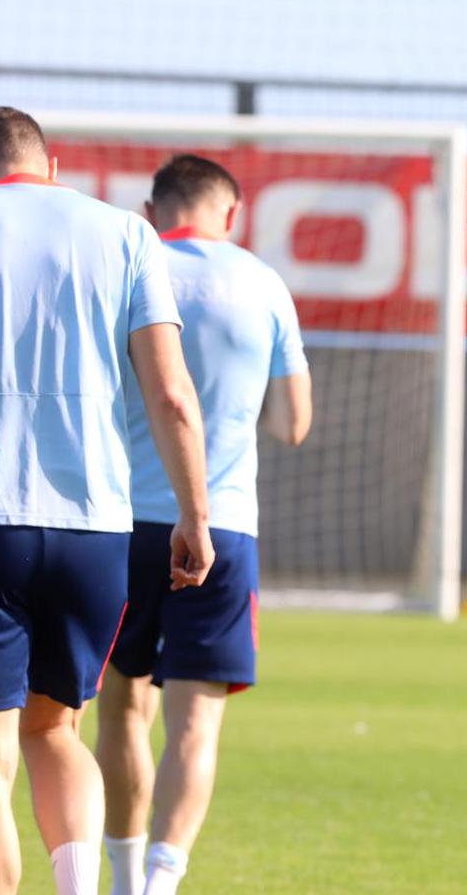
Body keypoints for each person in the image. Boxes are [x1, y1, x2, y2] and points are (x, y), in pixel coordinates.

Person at [0, 107, 212, 895]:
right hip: (95, 528)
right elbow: (170, 393)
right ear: (52, 165)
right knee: (57, 731)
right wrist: (195, 512)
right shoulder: (125, 235)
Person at [94, 155, 312, 895]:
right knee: (196, 723)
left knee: (123, 706)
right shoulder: (263, 282)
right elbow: (293, 422)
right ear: (234, 213)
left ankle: (122, 880)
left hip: (119, 521)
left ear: (153, 211)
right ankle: (162, 882)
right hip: (224, 526)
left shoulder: (132, 265)